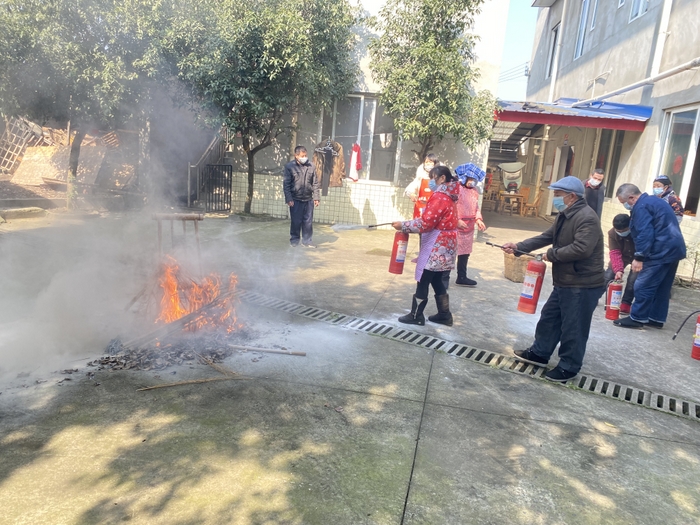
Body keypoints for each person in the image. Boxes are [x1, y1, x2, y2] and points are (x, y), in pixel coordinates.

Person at [501, 176, 605, 382]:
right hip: (565, 280)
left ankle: (569, 366)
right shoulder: (565, 215)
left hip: (582, 283)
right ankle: (540, 353)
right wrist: (519, 247)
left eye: (558, 195)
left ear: (572, 196)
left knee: (574, 327)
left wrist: (552, 254)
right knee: (549, 318)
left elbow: (582, 249)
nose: (555, 199)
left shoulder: (587, 218)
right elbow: (546, 236)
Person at [393, 166, 460, 327]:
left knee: (423, 278)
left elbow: (426, 223)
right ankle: (444, 315)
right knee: (436, 279)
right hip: (447, 245)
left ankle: (416, 315)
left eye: (433, 177)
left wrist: (404, 225)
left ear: (442, 178)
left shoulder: (439, 197)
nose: (431, 181)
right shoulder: (450, 196)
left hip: (437, 244)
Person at [613, 183, 686, 329]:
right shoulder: (654, 201)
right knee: (662, 286)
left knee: (643, 284)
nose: (625, 206)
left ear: (631, 198)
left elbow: (645, 233)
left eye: (624, 202)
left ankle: (637, 318)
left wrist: (639, 257)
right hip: (673, 249)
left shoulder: (641, 207)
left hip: (660, 251)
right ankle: (656, 318)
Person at [454, 163, 486, 286]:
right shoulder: (456, 188)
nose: (472, 181)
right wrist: (456, 220)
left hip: (469, 226)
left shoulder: (474, 191)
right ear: (464, 177)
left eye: (474, 179)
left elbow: (476, 206)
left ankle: (462, 277)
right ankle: (443, 279)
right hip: (456, 225)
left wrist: (478, 219)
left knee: (465, 253)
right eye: (470, 178)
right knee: (450, 252)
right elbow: (451, 206)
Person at [283, 146, 319, 248]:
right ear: (296, 155)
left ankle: (307, 241)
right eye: (302, 156)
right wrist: (289, 199)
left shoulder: (311, 166)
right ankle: (294, 241)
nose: (304, 158)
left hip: (308, 199)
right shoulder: (289, 167)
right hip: (295, 199)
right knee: (296, 221)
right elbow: (286, 185)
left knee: (308, 222)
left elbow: (315, 183)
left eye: (305, 155)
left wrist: (316, 197)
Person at [605, 214, 637, 314]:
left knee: (633, 280)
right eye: (618, 231)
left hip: (637, 257)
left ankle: (626, 304)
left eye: (624, 230)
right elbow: (615, 252)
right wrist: (618, 270)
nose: (621, 233)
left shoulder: (638, 231)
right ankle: (593, 297)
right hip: (622, 255)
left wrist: (639, 259)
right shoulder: (612, 233)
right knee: (608, 275)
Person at [404, 154, 438, 218]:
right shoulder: (420, 178)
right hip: (420, 210)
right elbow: (410, 188)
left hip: (434, 209)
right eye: (426, 162)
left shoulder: (439, 179)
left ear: (435, 163)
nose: (428, 164)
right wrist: (411, 194)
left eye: (431, 162)